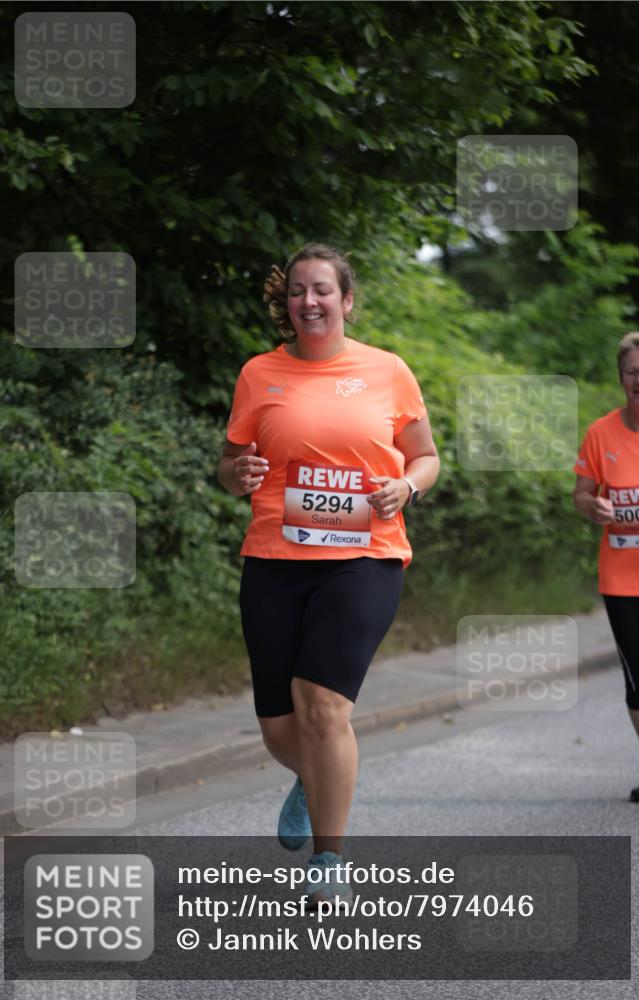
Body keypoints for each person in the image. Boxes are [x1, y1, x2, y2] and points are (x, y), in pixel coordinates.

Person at [217, 243, 440, 904]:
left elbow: (424, 456)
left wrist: (407, 486)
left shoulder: (387, 370)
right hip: (274, 560)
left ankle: (329, 860)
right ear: (284, 304)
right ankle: (314, 774)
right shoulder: (259, 374)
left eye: (321, 290)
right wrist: (239, 474)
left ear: (346, 300)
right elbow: (229, 468)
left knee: (323, 705)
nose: (308, 301)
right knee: (281, 726)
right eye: (296, 292)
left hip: (363, 558)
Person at [573, 331, 639, 803]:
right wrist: (593, 507)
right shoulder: (602, 433)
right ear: (621, 378)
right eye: (632, 371)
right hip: (623, 580)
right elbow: (581, 495)